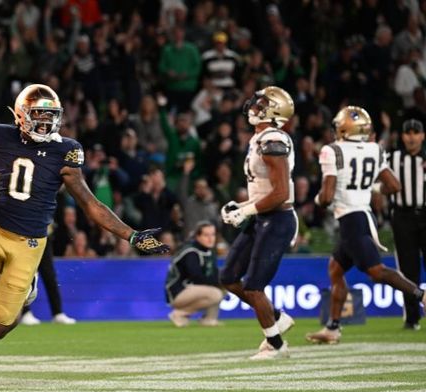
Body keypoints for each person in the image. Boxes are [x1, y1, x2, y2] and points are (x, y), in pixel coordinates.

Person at [0, 84, 169, 392]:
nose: (44, 122)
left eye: (50, 116)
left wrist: (131, 234)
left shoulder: (65, 150)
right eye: (38, 115)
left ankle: (27, 293)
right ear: (20, 115)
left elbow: (90, 204)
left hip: (29, 244)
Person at [307, 107, 426, 344]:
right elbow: (393, 186)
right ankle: (333, 327)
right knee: (335, 269)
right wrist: (370, 188)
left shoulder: (332, 151)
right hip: (363, 215)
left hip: (351, 218)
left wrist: (318, 199)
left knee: (377, 272)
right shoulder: (374, 149)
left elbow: (328, 197)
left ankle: (421, 295)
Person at [219, 86, 297, 360]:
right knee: (228, 277)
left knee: (253, 286)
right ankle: (276, 317)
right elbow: (265, 190)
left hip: (277, 218)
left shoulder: (273, 139)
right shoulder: (260, 138)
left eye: (263, 102)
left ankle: (276, 346)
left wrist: (247, 210)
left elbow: (280, 194)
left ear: (275, 110)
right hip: (262, 215)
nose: (255, 104)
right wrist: (241, 207)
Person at [387, 119, 426, 330]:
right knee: (408, 269)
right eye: (408, 133)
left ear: (422, 136)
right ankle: (412, 318)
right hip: (403, 217)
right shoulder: (393, 158)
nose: (411, 136)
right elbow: (381, 184)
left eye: (415, 132)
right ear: (402, 136)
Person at [165, 221, 224, 328]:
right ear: (197, 236)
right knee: (216, 293)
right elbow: (196, 277)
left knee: (225, 285)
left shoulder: (210, 251)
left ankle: (209, 319)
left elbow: (213, 273)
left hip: (192, 289)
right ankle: (179, 313)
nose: (210, 238)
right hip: (178, 292)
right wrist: (219, 281)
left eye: (213, 234)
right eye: (206, 235)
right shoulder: (191, 251)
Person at [20, 239, 77, 325]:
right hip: (24, 238)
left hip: (42, 237)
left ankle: (57, 313)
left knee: (50, 276)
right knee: (24, 276)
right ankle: (25, 312)